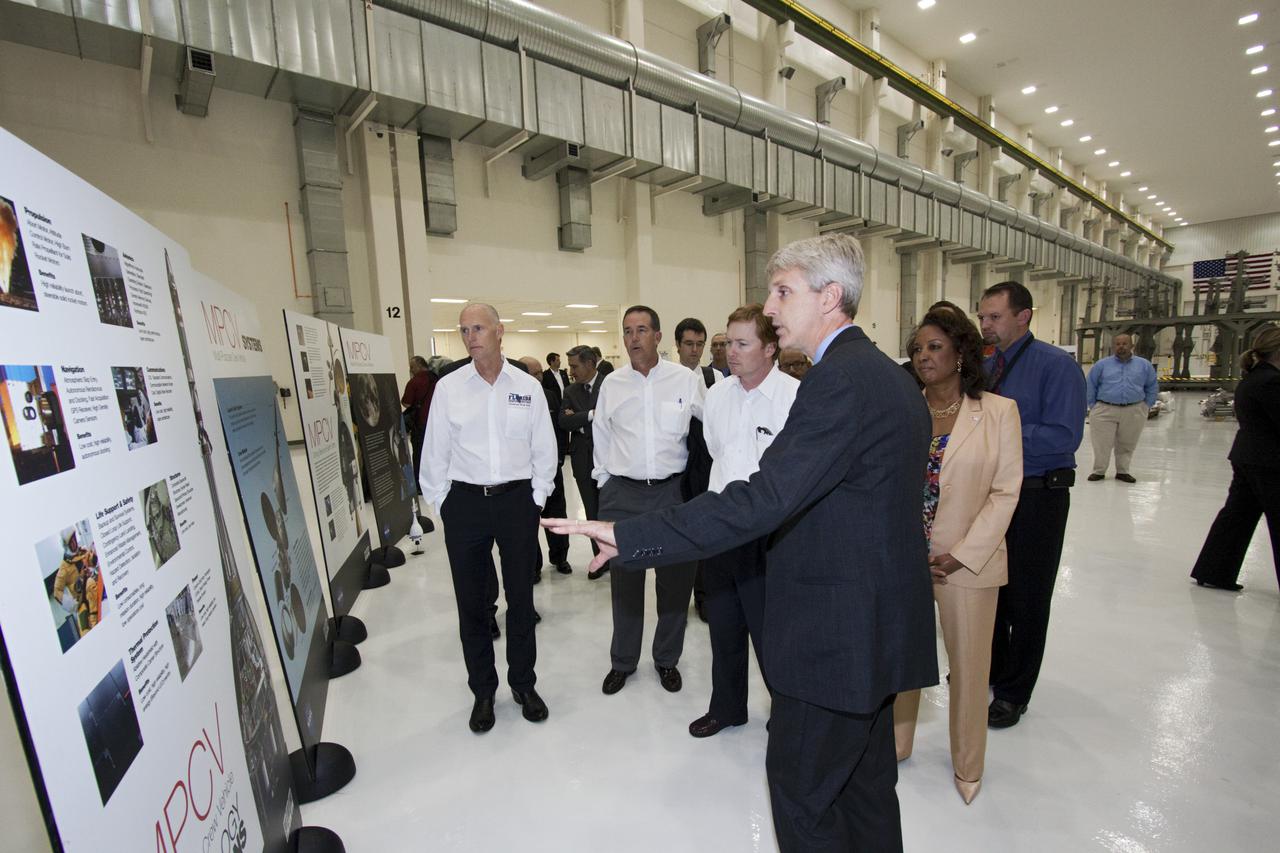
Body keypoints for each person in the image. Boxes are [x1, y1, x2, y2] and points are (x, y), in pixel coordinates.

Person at [545, 234, 937, 852]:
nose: (771, 307)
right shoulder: (888, 378)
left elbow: (762, 498)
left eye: (783, 292)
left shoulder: (837, 383)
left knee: (805, 798)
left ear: (830, 296)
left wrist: (631, 533)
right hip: (877, 628)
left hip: (835, 640)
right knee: (865, 793)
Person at [893, 308, 1022, 804]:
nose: (923, 356)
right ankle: (897, 744)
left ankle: (968, 765)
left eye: (934, 347)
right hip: (905, 559)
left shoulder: (997, 412)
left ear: (962, 353)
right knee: (904, 658)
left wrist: (961, 554)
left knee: (969, 668)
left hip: (966, 563)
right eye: (918, 348)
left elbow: (1005, 492)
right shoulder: (905, 408)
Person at [420, 303, 556, 733]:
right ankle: (482, 690)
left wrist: (536, 498)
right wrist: (444, 504)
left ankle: (523, 684)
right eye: (464, 330)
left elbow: (544, 448)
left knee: (521, 600)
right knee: (472, 606)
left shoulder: (527, 386)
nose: (470, 336)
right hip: (466, 505)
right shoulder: (449, 387)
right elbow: (434, 453)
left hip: (517, 501)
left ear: (500, 332)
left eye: (478, 328)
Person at [977, 280, 1086, 730]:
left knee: (1027, 596)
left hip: (1039, 494)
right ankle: (994, 669)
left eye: (995, 317)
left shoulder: (1055, 367)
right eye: (982, 317)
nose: (986, 325)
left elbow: (1064, 436)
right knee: (994, 589)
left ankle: (1013, 692)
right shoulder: (987, 368)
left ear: (1024, 316)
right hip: (994, 492)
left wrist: (1002, 430)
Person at [688, 303, 799, 739]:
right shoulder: (716, 395)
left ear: (770, 348)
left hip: (769, 535)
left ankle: (787, 712)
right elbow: (716, 452)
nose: (730, 352)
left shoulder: (793, 398)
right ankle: (728, 707)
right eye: (728, 342)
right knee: (724, 623)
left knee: (772, 633)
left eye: (741, 343)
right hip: (722, 526)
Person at [591, 305, 706, 696]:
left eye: (641, 330)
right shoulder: (612, 384)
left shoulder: (684, 380)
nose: (633, 337)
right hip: (623, 494)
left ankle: (666, 659)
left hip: (672, 494)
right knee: (625, 580)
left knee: (675, 583)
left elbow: (711, 429)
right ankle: (623, 661)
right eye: (627, 331)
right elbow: (601, 438)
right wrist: (606, 483)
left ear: (658, 337)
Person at [1190, 326, 1280, 592]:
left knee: (1237, 516)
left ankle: (1214, 570)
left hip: (1248, 456)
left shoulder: (1252, 378)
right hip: (1269, 461)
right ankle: (1214, 570)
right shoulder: (1271, 381)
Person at [1085, 333, 1158, 483]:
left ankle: (1123, 471)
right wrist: (1093, 405)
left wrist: (1146, 405)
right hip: (1105, 409)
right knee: (1101, 443)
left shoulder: (1144, 365)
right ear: (1113, 347)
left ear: (1132, 346)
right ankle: (1099, 471)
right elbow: (1090, 385)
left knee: (1127, 442)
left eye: (1125, 344)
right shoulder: (1101, 365)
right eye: (1118, 344)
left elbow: (1152, 385)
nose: (1121, 347)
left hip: (1134, 410)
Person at [559, 345, 606, 577]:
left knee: (611, 510)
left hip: (609, 460)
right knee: (591, 510)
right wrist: (590, 415)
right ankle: (600, 558)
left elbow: (613, 418)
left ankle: (617, 557)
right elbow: (563, 422)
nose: (571, 371)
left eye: (575, 366)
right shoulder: (570, 391)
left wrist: (577, 419)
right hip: (582, 460)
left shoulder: (610, 384)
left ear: (590, 364)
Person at [523, 356, 571, 576]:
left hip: (552, 468)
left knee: (557, 516)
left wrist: (559, 458)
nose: (538, 377)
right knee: (527, 521)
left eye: (540, 372)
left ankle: (560, 558)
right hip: (524, 473)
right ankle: (533, 566)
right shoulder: (517, 399)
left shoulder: (551, 396)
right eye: (533, 374)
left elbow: (560, 429)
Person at [401, 355, 436, 488]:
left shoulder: (414, 382)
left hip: (420, 424)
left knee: (419, 454)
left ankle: (419, 484)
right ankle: (433, 481)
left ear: (419, 366)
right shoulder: (436, 378)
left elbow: (406, 403)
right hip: (436, 424)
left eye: (412, 367)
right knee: (434, 453)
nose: (411, 370)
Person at [675, 317, 719, 387]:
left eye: (699, 344)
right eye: (689, 344)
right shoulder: (667, 379)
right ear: (678, 344)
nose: (694, 349)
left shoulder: (717, 378)